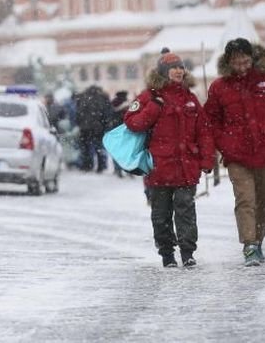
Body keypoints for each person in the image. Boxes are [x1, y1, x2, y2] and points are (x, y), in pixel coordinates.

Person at [204, 38, 265, 266]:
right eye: (236, 63)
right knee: (246, 198)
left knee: (264, 200)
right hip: (236, 153)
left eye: (245, 61)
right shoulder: (219, 87)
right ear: (229, 62)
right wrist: (223, 142)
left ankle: (257, 241)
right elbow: (211, 120)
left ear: (252, 59)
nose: (242, 67)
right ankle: (249, 245)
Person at [124, 50, 214, 267]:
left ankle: (187, 252)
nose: (178, 71)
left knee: (186, 210)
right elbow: (131, 121)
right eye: (173, 67)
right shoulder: (150, 97)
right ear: (164, 72)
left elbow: (204, 131)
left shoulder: (190, 99)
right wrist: (153, 109)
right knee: (161, 213)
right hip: (159, 166)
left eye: (180, 67)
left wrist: (207, 159)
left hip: (186, 166)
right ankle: (167, 253)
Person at [76, 85, 113, 172]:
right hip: (98, 127)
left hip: (84, 127)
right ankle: (100, 166)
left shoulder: (83, 97)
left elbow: (78, 113)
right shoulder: (102, 98)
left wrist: (80, 123)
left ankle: (87, 165)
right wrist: (105, 125)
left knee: (85, 148)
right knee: (99, 147)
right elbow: (106, 113)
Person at [109, 90, 130, 177]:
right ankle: (128, 169)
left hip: (116, 130)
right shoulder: (128, 104)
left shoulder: (113, 103)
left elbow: (109, 115)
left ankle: (117, 169)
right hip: (127, 130)